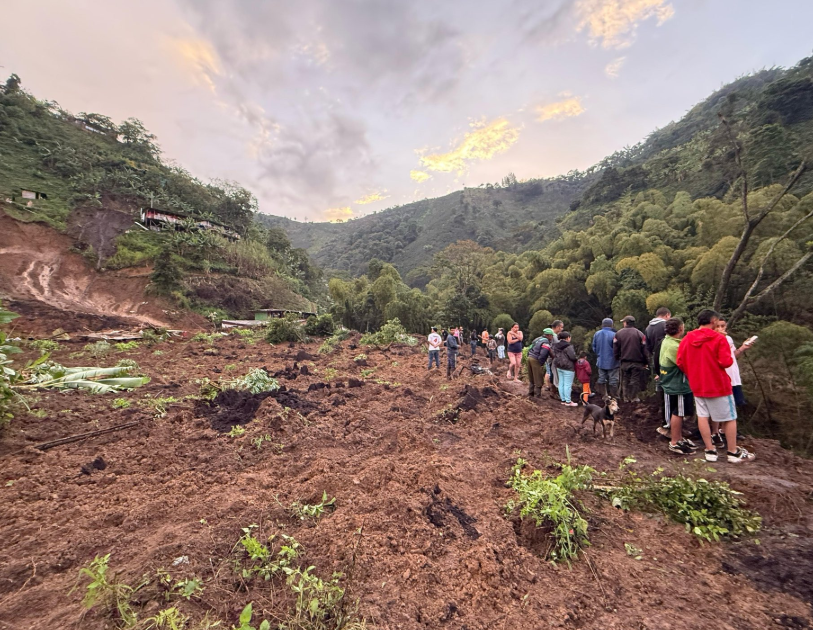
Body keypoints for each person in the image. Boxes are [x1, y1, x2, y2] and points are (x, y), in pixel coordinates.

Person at [677, 309, 755, 463]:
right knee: (730, 418)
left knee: (703, 416)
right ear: (713, 321)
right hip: (718, 384)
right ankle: (732, 452)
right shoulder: (719, 339)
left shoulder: (687, 339)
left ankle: (710, 450)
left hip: (698, 384)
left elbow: (680, 361)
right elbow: (727, 362)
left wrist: (693, 372)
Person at [659, 317, 697, 455]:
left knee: (678, 411)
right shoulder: (675, 347)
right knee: (679, 412)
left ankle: (679, 438)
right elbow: (686, 364)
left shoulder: (667, 341)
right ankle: (675, 442)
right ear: (680, 329)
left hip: (670, 381)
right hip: (678, 384)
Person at [613, 316, 650, 403]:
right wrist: (646, 361)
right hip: (637, 362)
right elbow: (645, 349)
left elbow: (615, 348)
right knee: (635, 380)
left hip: (624, 361)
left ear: (626, 323)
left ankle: (625, 398)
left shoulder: (618, 334)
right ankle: (633, 397)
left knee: (625, 379)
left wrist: (617, 357)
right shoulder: (640, 334)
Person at [646, 307, 671, 429]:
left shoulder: (648, 327)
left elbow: (647, 346)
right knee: (668, 387)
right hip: (666, 358)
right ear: (667, 315)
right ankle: (668, 418)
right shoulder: (666, 325)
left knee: (659, 382)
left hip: (655, 358)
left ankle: (660, 409)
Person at [592, 318, 619, 398]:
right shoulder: (614, 334)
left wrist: (599, 354)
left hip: (601, 361)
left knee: (602, 378)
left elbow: (594, 347)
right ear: (611, 325)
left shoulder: (597, 334)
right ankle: (615, 397)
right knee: (613, 380)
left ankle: (604, 396)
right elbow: (617, 348)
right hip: (613, 362)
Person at [553, 331, 578, 406]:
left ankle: (563, 400)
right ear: (567, 338)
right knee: (567, 384)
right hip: (568, 367)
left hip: (559, 366)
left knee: (561, 383)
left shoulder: (556, 345)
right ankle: (568, 401)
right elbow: (572, 357)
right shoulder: (568, 346)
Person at [527, 328, 554, 398]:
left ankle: (530, 393)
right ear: (548, 335)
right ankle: (537, 396)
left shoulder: (538, 339)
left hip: (529, 357)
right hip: (535, 359)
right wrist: (540, 363)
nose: (552, 337)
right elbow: (543, 353)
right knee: (538, 378)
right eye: (552, 336)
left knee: (532, 377)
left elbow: (530, 347)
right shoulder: (546, 342)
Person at [547, 320, 565, 397]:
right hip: (553, 359)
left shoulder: (552, 335)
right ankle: (554, 392)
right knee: (554, 376)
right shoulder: (554, 336)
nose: (562, 329)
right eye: (561, 327)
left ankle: (553, 391)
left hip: (551, 358)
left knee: (552, 375)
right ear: (557, 327)